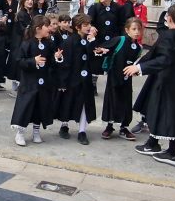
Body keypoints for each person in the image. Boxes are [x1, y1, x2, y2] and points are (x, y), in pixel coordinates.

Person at [128, 3, 175, 167]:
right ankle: (154, 144)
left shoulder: (170, 36)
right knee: (168, 112)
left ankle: (172, 153)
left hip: (168, 80)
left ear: (169, 18)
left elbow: (164, 59)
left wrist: (139, 67)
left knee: (161, 111)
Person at [10, 15, 63, 146]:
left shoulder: (49, 43)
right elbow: (19, 61)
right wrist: (33, 61)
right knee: (26, 107)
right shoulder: (27, 43)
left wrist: (56, 58)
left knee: (41, 107)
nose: (50, 28)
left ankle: (36, 132)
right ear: (38, 28)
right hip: (29, 83)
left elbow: (51, 62)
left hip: (44, 82)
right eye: (47, 26)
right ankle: (20, 133)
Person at [54, 13, 97, 144]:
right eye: (85, 25)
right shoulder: (69, 41)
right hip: (72, 78)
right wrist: (63, 82)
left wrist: (93, 44)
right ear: (78, 27)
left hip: (85, 79)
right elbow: (66, 63)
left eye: (89, 24)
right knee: (68, 102)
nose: (89, 27)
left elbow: (92, 58)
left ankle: (82, 131)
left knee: (84, 104)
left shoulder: (89, 40)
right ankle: (64, 125)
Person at [98, 18, 144, 140]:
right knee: (112, 99)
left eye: (139, 29)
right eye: (134, 29)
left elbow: (136, 63)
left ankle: (124, 127)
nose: (137, 32)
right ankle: (109, 126)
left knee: (126, 101)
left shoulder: (138, 47)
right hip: (114, 76)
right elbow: (103, 49)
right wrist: (102, 50)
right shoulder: (120, 40)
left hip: (127, 79)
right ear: (127, 30)